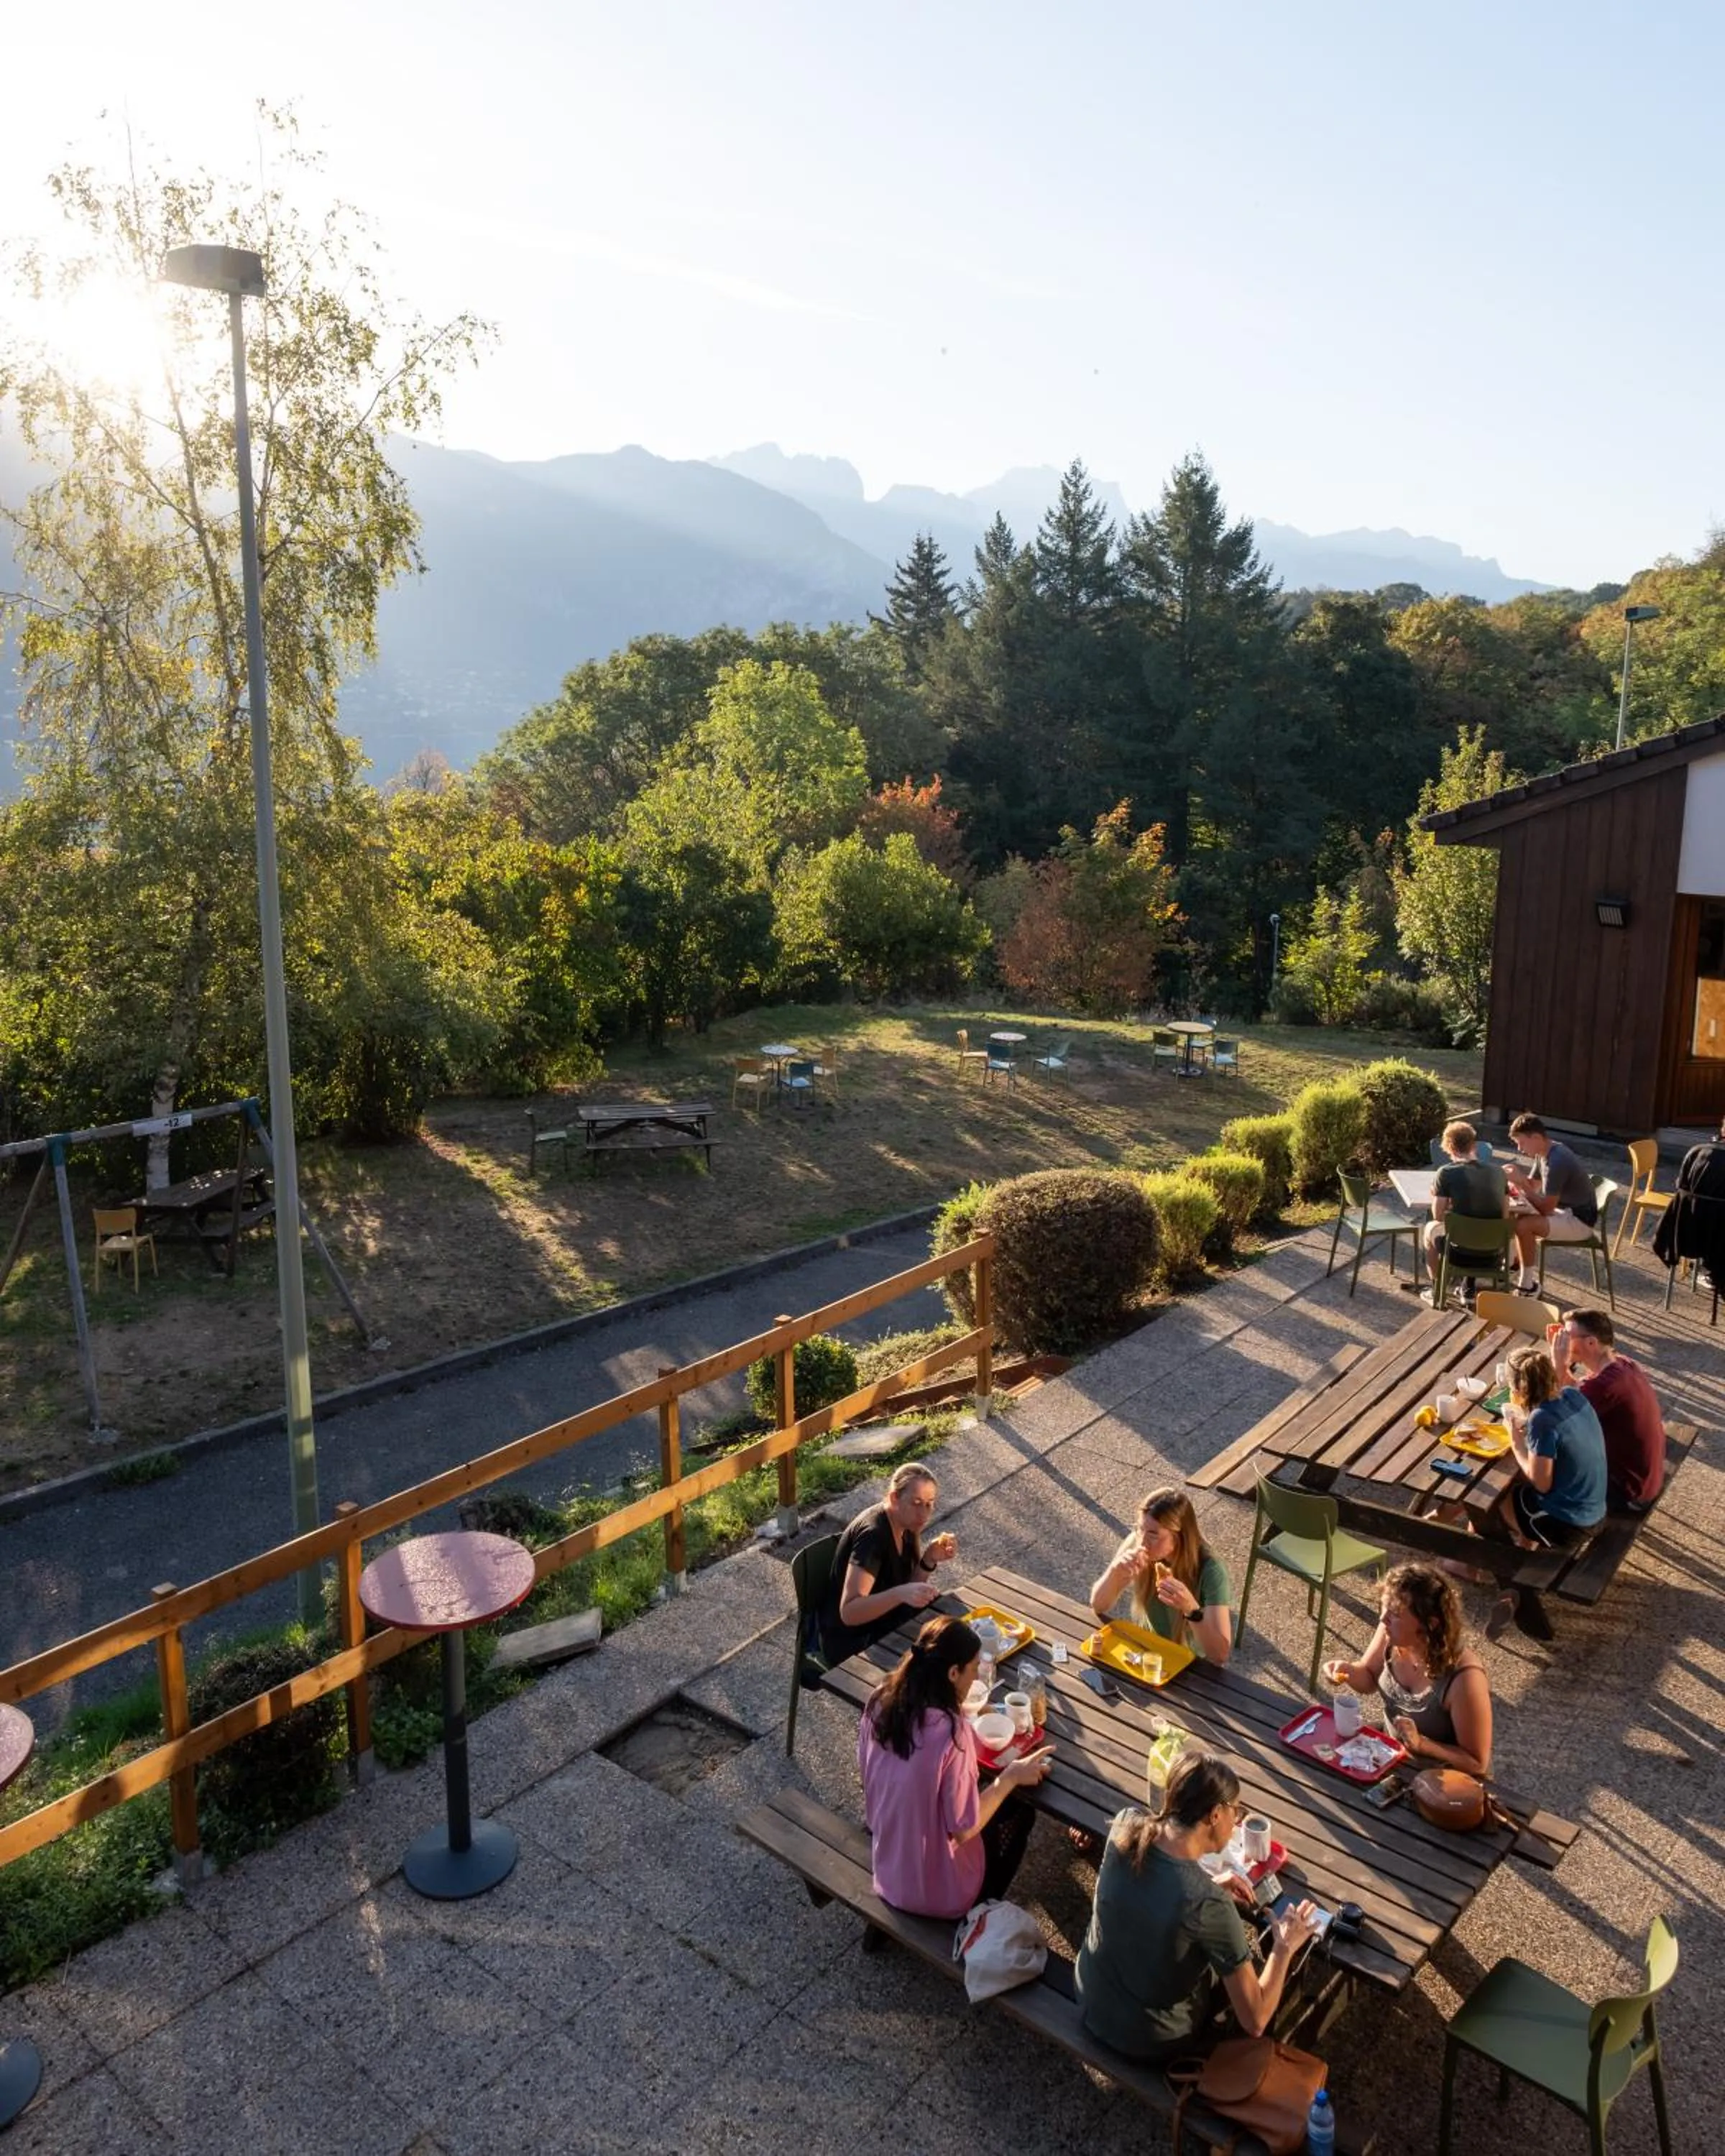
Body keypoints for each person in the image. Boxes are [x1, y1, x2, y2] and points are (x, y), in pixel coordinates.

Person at [1075, 1752, 1322, 2058]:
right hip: (1149, 2039)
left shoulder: (1127, 1824)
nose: (1237, 1821)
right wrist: (1284, 1946)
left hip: (1090, 1999)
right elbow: (1255, 2021)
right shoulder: (1208, 1903)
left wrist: (1212, 1885)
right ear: (1215, 1815)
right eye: (1237, 1811)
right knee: (1250, 1977)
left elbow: (1150, 1891)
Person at [857, 1614, 1054, 1917]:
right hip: (936, 1894)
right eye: (974, 1669)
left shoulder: (881, 1701)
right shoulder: (952, 1732)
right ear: (952, 1673)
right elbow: (963, 1830)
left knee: (975, 1795)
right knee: (1019, 1811)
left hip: (888, 1867)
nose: (976, 1678)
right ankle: (980, 1910)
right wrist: (1009, 1779)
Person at [1482, 1339, 1608, 1641]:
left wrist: (1516, 1441)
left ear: (1518, 1389)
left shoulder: (1541, 1420)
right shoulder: (1574, 1397)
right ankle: (1524, 1554)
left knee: (1493, 1497)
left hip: (1571, 1525)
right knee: (1520, 1489)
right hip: (1598, 1506)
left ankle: (1510, 1571)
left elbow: (1541, 1483)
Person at [1322, 1564, 1492, 1777]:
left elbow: (1477, 1763)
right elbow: (1368, 1678)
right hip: (1389, 1757)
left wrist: (1423, 1744)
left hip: (1439, 1781)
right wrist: (1347, 1671)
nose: (1383, 1619)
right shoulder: (1391, 1634)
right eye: (1383, 1608)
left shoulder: (1465, 1679)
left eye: (1394, 1613)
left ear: (1430, 1624)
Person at [819, 1461, 957, 1666]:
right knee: (936, 1662)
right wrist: (900, 1594)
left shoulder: (907, 1523)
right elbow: (850, 1612)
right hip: (854, 1641)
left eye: (930, 1503)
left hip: (888, 1623)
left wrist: (929, 1560)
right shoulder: (873, 1537)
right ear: (894, 1498)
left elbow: (907, 1587)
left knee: (956, 1638)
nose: (924, 1513)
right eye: (917, 1503)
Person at [1089, 1487, 1233, 1663]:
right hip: (1145, 1651)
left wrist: (1191, 1610)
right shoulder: (1137, 1544)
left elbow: (1220, 1655)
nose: (1142, 1542)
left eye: (1153, 1535)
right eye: (1140, 1529)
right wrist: (1115, 1573)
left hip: (1189, 1663)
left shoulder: (1211, 1570)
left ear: (1179, 1537)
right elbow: (1098, 1606)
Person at [1554, 1307, 1666, 1513]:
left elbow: (1555, 1416)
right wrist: (1565, 1365)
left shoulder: (1603, 1386)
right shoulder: (1622, 1364)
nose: (1561, 1338)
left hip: (1627, 1491)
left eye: (1567, 1335)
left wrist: (1559, 1365)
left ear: (1591, 1343)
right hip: (1645, 1478)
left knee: (1545, 1470)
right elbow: (1576, 1390)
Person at [1505, 1113, 1598, 1292]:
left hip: (1580, 1221)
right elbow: (1533, 1185)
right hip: (1565, 1212)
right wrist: (1515, 1177)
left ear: (1537, 1137)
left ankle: (1528, 1286)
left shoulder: (1557, 1161)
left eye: (1522, 1143)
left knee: (1524, 1226)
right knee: (1513, 1215)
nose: (1519, 1149)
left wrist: (1521, 1183)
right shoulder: (1544, 1152)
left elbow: (1546, 1208)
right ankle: (1512, 1264)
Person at [1422, 1120, 1512, 1307]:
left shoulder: (1446, 1173)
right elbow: (1504, 1215)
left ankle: (1436, 1288)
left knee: (1430, 1228)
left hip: (1459, 1252)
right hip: (1495, 1253)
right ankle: (1468, 1286)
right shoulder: (1498, 1173)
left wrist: (1439, 1196)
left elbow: (1438, 1215)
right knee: (1477, 1225)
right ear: (1474, 1145)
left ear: (1447, 1147)